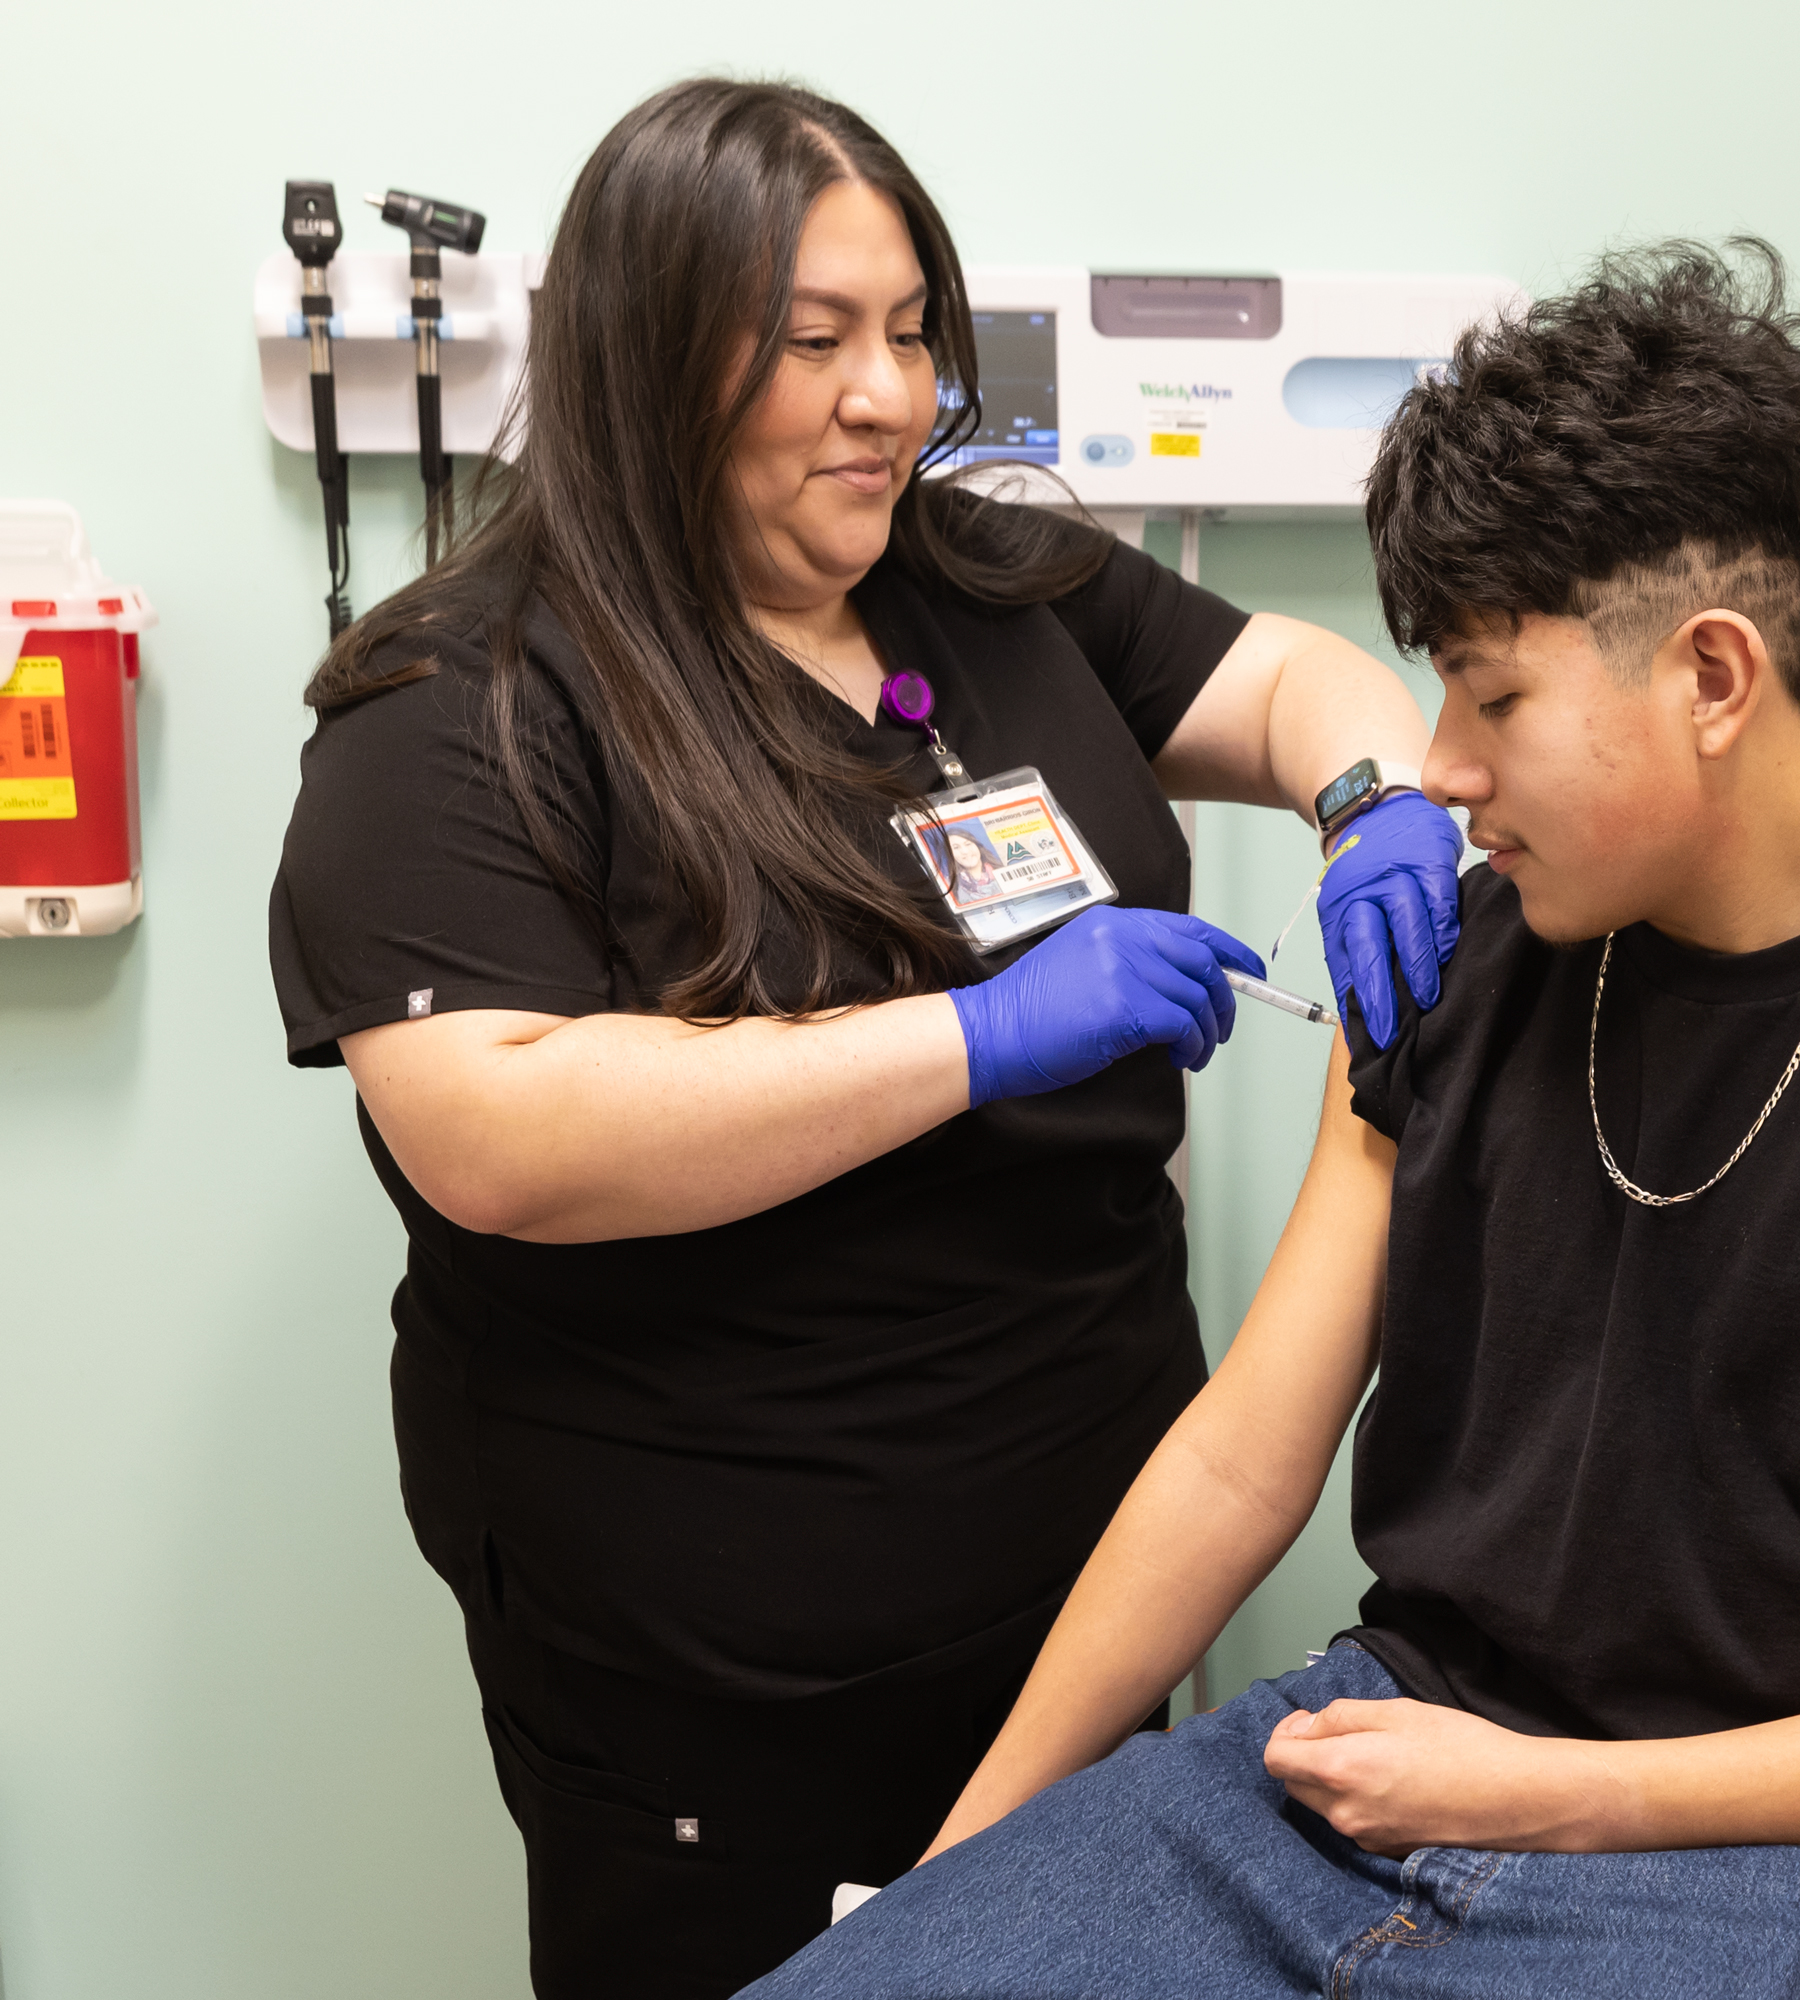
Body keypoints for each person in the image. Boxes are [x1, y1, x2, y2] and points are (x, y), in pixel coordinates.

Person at [745, 241, 1800, 2000]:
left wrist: (1557, 1799)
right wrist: (958, 1872)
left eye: (1496, 694)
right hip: (1385, 1768)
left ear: (1712, 678)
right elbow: (1242, 1459)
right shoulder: (1459, 974)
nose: (1442, 767)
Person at [264, 78, 1461, 2000]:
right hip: (725, 1699)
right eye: (813, 340)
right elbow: (498, 1133)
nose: (888, 395)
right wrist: (974, 1037)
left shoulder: (979, 575)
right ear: (652, 354)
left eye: (910, 332)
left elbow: (1292, 683)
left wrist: (1372, 802)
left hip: (1094, 1599)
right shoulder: (460, 700)